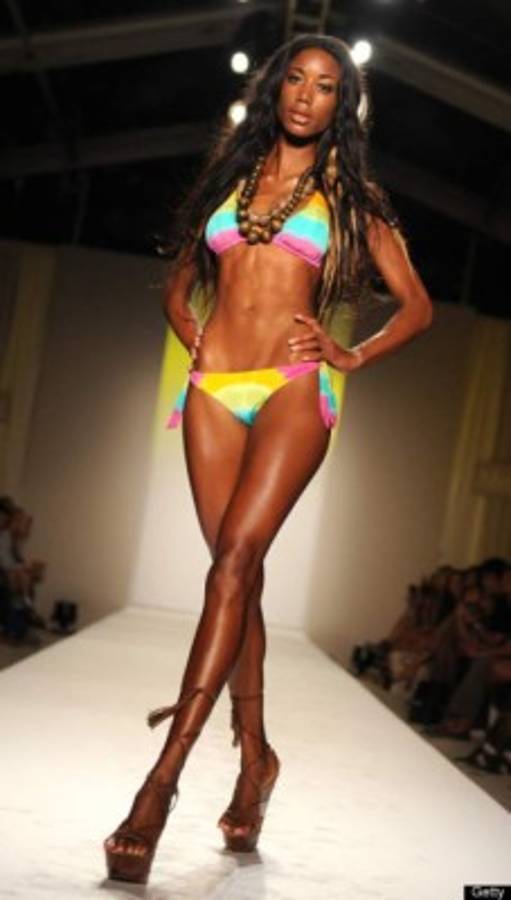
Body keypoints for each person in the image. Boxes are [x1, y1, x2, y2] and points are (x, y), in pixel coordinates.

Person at [104, 33, 433, 883]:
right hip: (214, 389)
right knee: (234, 573)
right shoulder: (230, 179)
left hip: (292, 385)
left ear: (339, 106)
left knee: (233, 563)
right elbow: (178, 288)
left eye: (325, 86)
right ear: (275, 90)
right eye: (294, 79)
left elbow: (415, 305)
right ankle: (255, 760)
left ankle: (160, 782)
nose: (305, 95)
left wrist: (351, 354)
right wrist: (196, 338)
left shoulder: (349, 196)